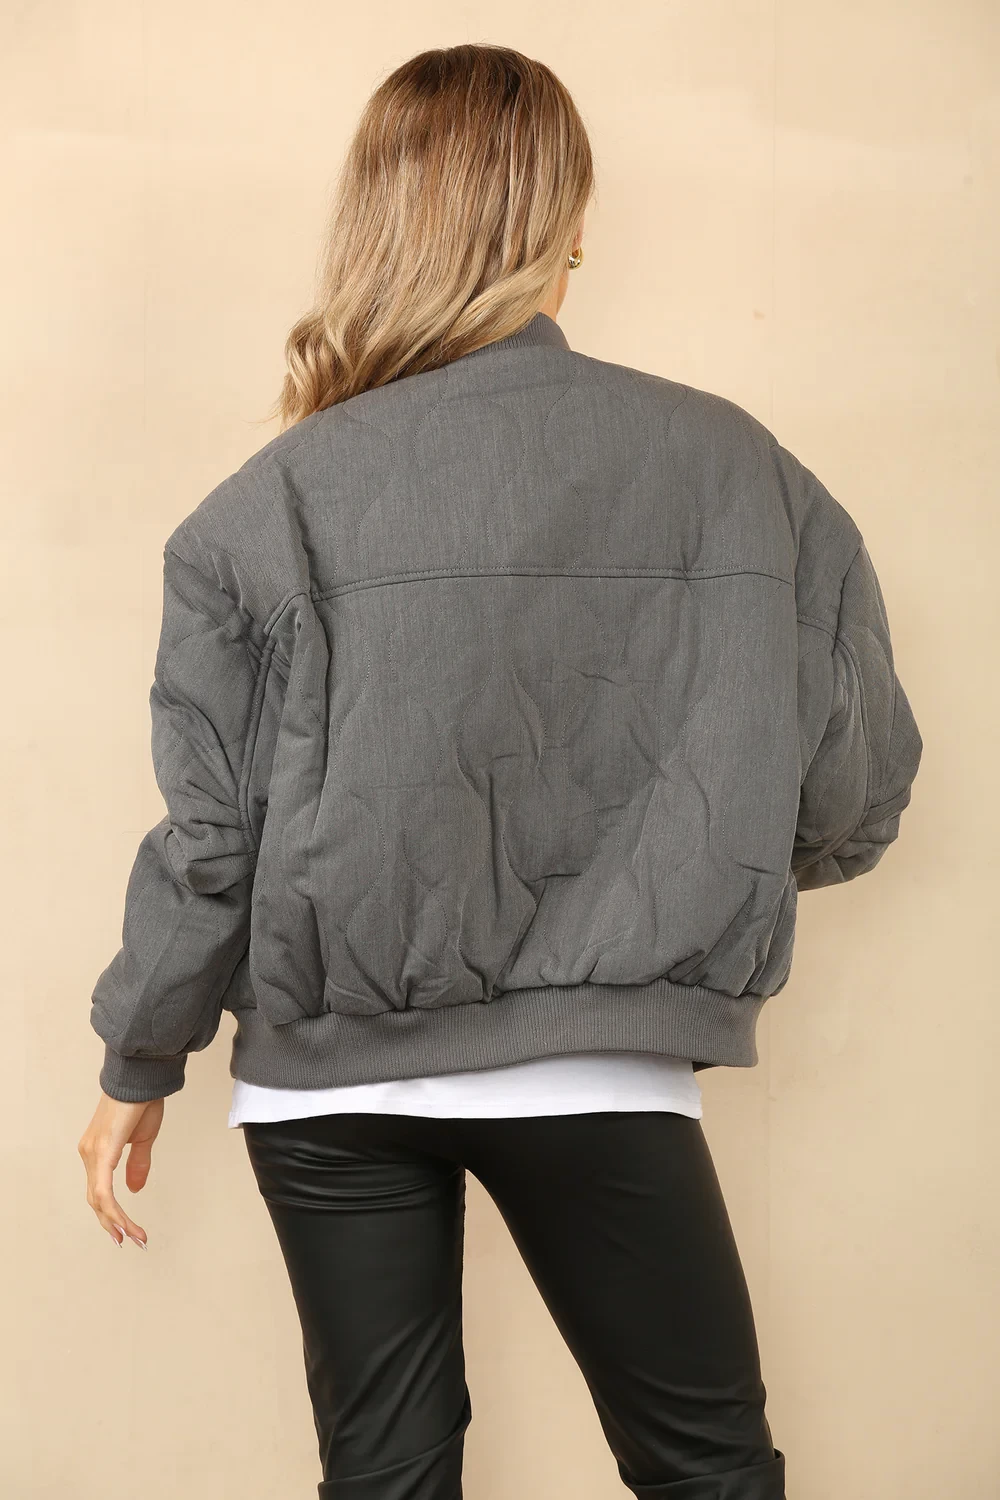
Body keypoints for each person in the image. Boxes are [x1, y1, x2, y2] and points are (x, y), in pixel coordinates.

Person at [77, 42, 923, 1500]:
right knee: (709, 1470)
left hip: (325, 1080)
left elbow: (213, 838)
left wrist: (137, 1058)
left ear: (374, 223)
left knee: (385, 1481)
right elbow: (851, 787)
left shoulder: (266, 505)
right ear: (569, 224)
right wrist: (675, 868)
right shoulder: (741, 469)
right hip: (599, 1063)